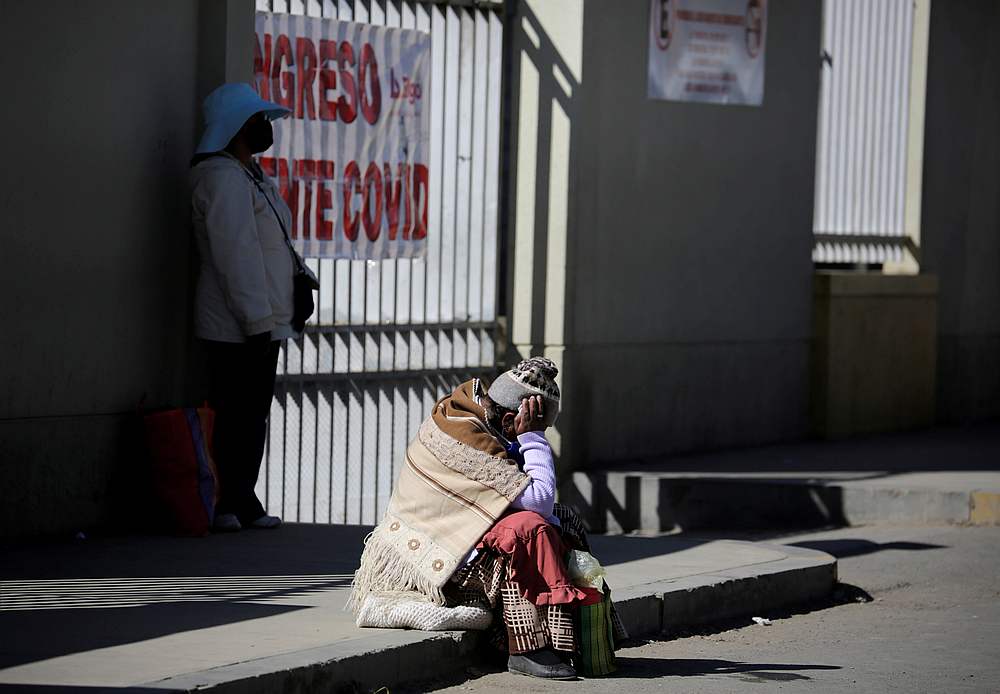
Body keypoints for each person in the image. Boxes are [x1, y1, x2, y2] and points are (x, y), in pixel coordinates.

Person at [349, 358, 626, 679]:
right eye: (539, 426)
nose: (541, 434)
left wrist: (527, 439)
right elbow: (538, 502)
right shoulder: (467, 437)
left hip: (465, 539)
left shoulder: (481, 418)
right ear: (511, 419)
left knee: (565, 520)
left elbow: (543, 505)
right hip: (430, 560)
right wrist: (533, 439)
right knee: (528, 530)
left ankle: (587, 630)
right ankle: (527, 647)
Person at [189, 83, 313, 532]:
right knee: (233, 413)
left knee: (251, 414)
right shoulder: (221, 178)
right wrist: (257, 320)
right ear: (237, 127)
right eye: (259, 122)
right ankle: (225, 502)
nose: (266, 129)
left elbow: (271, 244)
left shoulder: (249, 175)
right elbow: (235, 255)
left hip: (262, 322)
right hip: (237, 324)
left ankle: (242, 497)